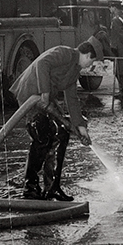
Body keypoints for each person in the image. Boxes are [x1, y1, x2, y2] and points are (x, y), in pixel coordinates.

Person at [9, 32, 110, 201]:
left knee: (61, 133)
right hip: (30, 94)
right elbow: (42, 64)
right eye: (91, 61)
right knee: (42, 135)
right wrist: (45, 93)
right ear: (86, 55)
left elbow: (72, 98)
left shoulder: (74, 70)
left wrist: (80, 127)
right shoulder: (65, 53)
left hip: (45, 100)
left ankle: (52, 187)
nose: (90, 65)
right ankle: (30, 188)